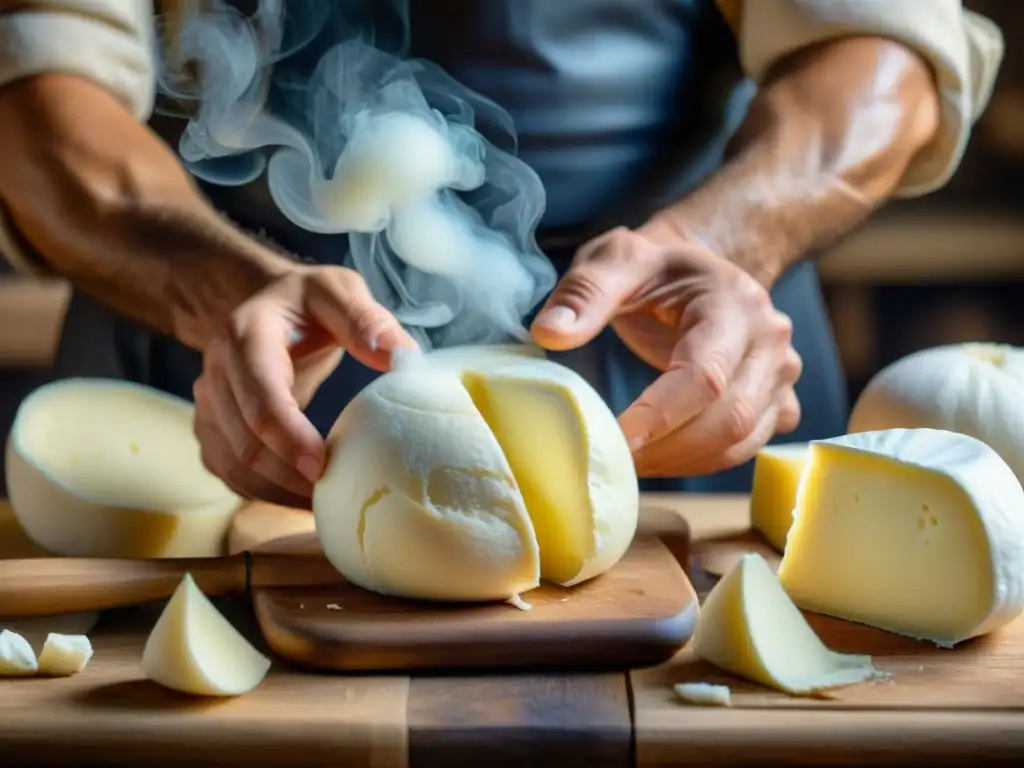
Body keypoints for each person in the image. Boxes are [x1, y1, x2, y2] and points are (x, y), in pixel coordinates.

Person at [0, 1, 1002, 509]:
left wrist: (717, 239)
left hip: (670, 343)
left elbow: (879, 48)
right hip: (218, 363)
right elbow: (36, 81)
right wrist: (219, 285)